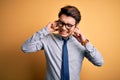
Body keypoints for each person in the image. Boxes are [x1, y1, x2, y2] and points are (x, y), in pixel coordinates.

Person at [21, 5, 104, 80]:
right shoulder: (48, 39)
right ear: (58, 21)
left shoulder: (82, 43)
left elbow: (99, 62)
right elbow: (25, 48)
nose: (64, 28)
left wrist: (85, 42)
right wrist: (46, 30)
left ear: (76, 26)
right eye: (62, 23)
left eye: (69, 25)